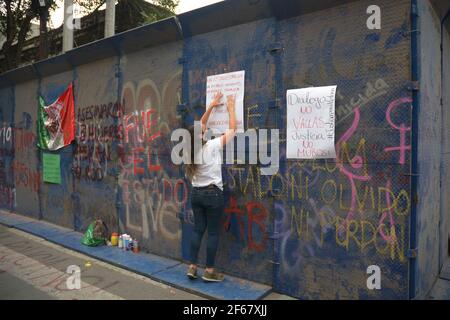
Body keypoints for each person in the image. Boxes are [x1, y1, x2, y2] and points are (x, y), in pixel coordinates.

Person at [184, 91, 237, 282]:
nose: (204, 129)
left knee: (198, 230)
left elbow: (200, 125)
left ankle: (192, 267)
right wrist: (231, 108)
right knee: (213, 232)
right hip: (213, 195)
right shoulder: (212, 146)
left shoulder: (189, 151)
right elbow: (232, 130)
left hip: (196, 194)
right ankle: (209, 271)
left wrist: (212, 106)